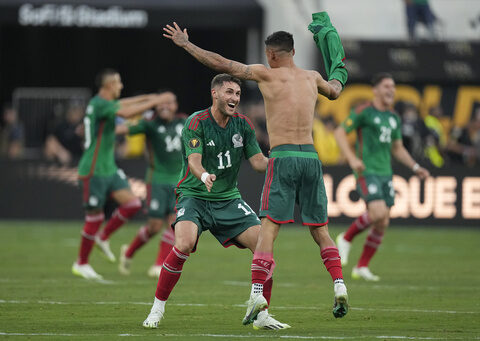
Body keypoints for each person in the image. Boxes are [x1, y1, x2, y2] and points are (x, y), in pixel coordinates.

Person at [162, 22, 348, 323]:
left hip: (283, 155)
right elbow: (337, 89)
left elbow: (222, 64)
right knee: (321, 230)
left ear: (271, 55)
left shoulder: (266, 73)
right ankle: (339, 285)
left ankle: (257, 294)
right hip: (312, 158)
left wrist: (186, 45)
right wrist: (338, 64)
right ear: (294, 52)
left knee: (268, 232)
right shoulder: (313, 77)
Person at [143, 74, 290, 330]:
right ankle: (157, 309)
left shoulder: (243, 125)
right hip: (194, 194)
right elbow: (194, 160)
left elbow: (257, 163)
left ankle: (262, 314)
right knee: (184, 243)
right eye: (229, 93)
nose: (234, 98)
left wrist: (280, 162)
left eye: (237, 94)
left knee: (264, 246)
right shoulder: (196, 122)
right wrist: (204, 175)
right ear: (215, 94)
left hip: (228, 199)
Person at [334, 73, 430, 281]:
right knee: (377, 213)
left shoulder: (394, 117)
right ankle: (346, 238)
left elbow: (397, 148)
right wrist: (351, 158)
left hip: (386, 174)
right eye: (387, 86)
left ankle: (361, 267)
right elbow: (340, 133)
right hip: (366, 171)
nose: (391, 90)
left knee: (382, 222)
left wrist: (415, 167)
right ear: (375, 90)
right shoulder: (364, 112)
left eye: (393, 87)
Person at [72, 69, 163, 280]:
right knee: (95, 217)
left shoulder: (104, 105)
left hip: (109, 167)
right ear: (109, 85)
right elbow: (125, 112)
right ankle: (81, 263)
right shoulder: (99, 104)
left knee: (132, 204)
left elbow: (124, 105)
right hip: (93, 169)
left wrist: (151, 98)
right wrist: (153, 102)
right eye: (119, 82)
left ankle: (102, 237)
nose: (121, 86)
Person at [117, 90, 185, 277]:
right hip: (156, 181)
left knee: (173, 223)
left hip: (179, 182)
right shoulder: (149, 124)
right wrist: (103, 126)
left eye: (169, 102)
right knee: (154, 226)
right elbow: (122, 129)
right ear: (155, 105)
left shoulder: (185, 122)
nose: (165, 106)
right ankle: (128, 252)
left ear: (175, 105)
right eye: (161, 102)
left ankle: (158, 264)